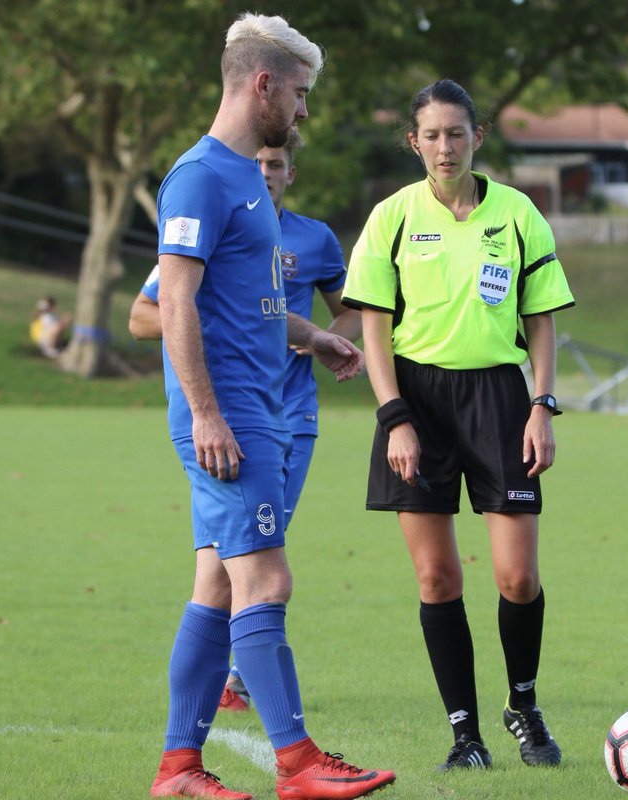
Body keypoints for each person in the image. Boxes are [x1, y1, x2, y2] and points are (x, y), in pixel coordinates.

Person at [150, 13, 393, 800]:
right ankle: (297, 763)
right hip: (230, 418)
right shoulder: (199, 177)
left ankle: (178, 770)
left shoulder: (245, 183)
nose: (305, 109)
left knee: (217, 586)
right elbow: (174, 303)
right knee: (268, 581)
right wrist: (208, 415)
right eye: (299, 91)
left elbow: (245, 305)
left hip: (259, 406)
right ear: (263, 84)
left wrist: (317, 341)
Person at [341, 78, 574, 772]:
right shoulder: (392, 217)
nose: (445, 147)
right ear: (413, 142)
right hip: (416, 402)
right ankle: (464, 733)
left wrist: (542, 404)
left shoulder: (520, 214)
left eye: (456, 133)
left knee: (517, 577)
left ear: (479, 137)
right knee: (438, 578)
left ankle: (523, 706)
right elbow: (375, 332)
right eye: (431, 135)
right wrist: (395, 419)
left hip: (501, 400)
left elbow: (541, 320)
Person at [130, 130, 361, 716]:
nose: (265, 173)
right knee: (256, 574)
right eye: (257, 162)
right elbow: (146, 314)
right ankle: (278, 733)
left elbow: (348, 309)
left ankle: (184, 754)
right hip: (230, 417)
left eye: (276, 164)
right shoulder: (210, 199)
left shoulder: (311, 238)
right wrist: (215, 327)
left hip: (290, 417)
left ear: (290, 172)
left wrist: (317, 341)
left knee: (225, 575)